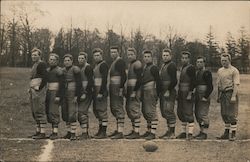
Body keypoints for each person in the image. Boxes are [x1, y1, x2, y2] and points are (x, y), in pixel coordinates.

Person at [217, 53, 240, 141]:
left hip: (230, 92)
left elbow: (236, 85)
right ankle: (226, 133)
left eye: (225, 60)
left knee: (231, 114)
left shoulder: (234, 70)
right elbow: (219, 84)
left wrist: (233, 96)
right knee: (224, 114)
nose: (223, 62)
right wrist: (219, 95)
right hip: (223, 94)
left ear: (229, 60)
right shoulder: (220, 70)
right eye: (222, 60)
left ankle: (233, 133)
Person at [141, 50, 161, 140]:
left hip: (151, 90)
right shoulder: (145, 67)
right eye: (145, 56)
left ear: (151, 57)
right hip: (145, 91)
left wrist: (157, 93)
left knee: (151, 111)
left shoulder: (153, 68)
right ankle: (149, 131)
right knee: (145, 111)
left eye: (148, 56)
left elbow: (158, 81)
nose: (146, 58)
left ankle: (153, 133)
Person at [176, 51, 196, 140]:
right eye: (183, 58)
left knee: (188, 112)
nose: (184, 59)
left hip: (187, 92)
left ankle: (190, 133)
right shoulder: (182, 68)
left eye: (186, 58)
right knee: (181, 112)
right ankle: (183, 132)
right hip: (181, 92)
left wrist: (190, 93)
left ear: (189, 59)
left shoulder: (191, 68)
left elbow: (193, 81)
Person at [29, 48, 48, 139]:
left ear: (39, 56)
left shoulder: (42, 64)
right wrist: (30, 88)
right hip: (33, 89)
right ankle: (38, 131)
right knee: (34, 110)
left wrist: (39, 88)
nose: (33, 56)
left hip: (39, 90)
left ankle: (43, 132)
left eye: (35, 55)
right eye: (32, 55)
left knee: (40, 109)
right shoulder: (34, 65)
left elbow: (45, 77)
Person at [61, 54, 81, 140]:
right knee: (65, 113)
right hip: (65, 92)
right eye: (65, 60)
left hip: (72, 92)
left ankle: (73, 133)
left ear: (72, 61)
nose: (67, 62)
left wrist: (77, 95)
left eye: (68, 60)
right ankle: (69, 132)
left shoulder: (75, 69)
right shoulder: (63, 70)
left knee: (72, 113)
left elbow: (79, 83)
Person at [108, 46, 127, 139]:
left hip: (117, 87)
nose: (113, 54)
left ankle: (120, 131)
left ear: (118, 52)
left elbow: (123, 75)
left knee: (118, 108)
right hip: (113, 87)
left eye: (115, 52)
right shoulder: (114, 62)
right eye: (111, 52)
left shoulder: (120, 61)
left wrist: (120, 88)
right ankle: (118, 129)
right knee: (114, 107)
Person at [159, 49, 177, 139]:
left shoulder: (172, 65)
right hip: (163, 91)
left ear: (170, 56)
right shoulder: (163, 65)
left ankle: (172, 133)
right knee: (164, 112)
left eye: (167, 55)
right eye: (164, 55)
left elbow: (174, 80)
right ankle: (169, 130)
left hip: (169, 92)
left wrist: (168, 90)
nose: (165, 57)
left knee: (169, 110)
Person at [125, 48, 143, 139]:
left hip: (135, 90)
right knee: (130, 110)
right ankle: (133, 130)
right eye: (128, 55)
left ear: (135, 54)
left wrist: (135, 91)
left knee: (134, 109)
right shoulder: (130, 64)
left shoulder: (137, 64)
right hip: (130, 90)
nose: (130, 56)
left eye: (131, 54)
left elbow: (139, 79)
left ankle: (137, 132)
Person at [45, 53, 64, 140]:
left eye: (54, 60)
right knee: (48, 111)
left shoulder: (59, 71)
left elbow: (62, 84)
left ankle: (55, 132)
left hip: (55, 92)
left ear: (57, 61)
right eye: (50, 59)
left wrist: (58, 95)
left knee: (54, 111)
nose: (51, 61)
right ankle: (52, 131)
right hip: (48, 92)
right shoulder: (48, 70)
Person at [194, 57, 213, 140]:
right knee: (197, 114)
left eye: (201, 62)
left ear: (204, 63)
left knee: (203, 114)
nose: (199, 63)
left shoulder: (207, 72)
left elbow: (210, 86)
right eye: (198, 62)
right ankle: (201, 131)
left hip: (204, 95)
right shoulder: (197, 72)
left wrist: (206, 96)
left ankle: (204, 133)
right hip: (197, 95)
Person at [92, 48, 109, 139]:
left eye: (98, 55)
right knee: (98, 111)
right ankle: (100, 130)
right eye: (95, 55)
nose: (96, 57)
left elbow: (105, 79)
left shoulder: (103, 65)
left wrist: (101, 92)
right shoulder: (96, 65)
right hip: (96, 90)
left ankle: (104, 132)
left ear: (101, 55)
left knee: (102, 111)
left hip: (101, 91)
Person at [77, 52, 94, 140]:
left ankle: (85, 133)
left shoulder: (88, 67)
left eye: (82, 58)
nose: (80, 60)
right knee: (80, 112)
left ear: (86, 59)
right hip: (82, 93)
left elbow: (90, 81)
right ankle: (85, 132)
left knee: (81, 111)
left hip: (87, 93)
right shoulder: (81, 68)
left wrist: (85, 93)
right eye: (79, 58)